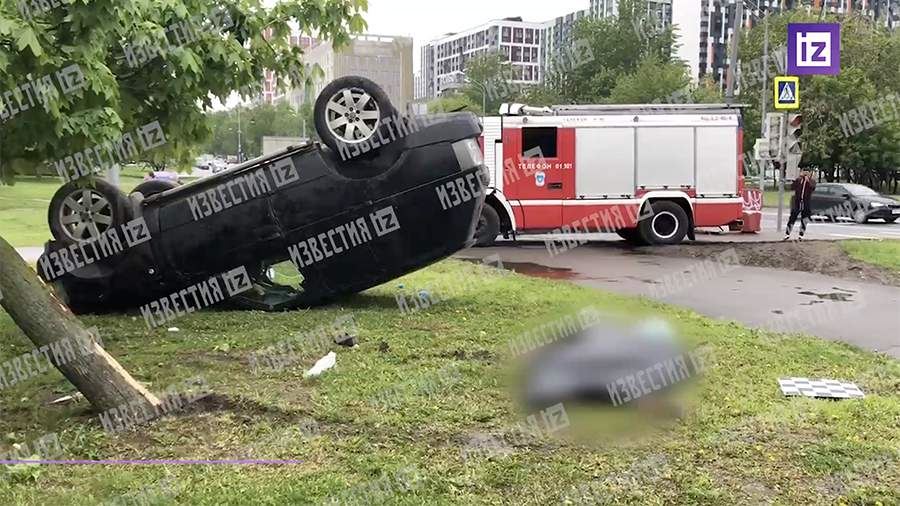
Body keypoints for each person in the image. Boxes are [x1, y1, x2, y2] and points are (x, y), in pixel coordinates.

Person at [784, 170, 816, 241]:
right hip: (797, 202)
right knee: (793, 217)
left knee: (804, 218)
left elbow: (813, 187)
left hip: (806, 202)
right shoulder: (798, 180)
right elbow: (792, 187)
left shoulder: (811, 181)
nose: (805, 174)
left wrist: (808, 181)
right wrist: (797, 179)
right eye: (804, 172)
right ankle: (787, 233)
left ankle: (801, 234)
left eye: (807, 172)